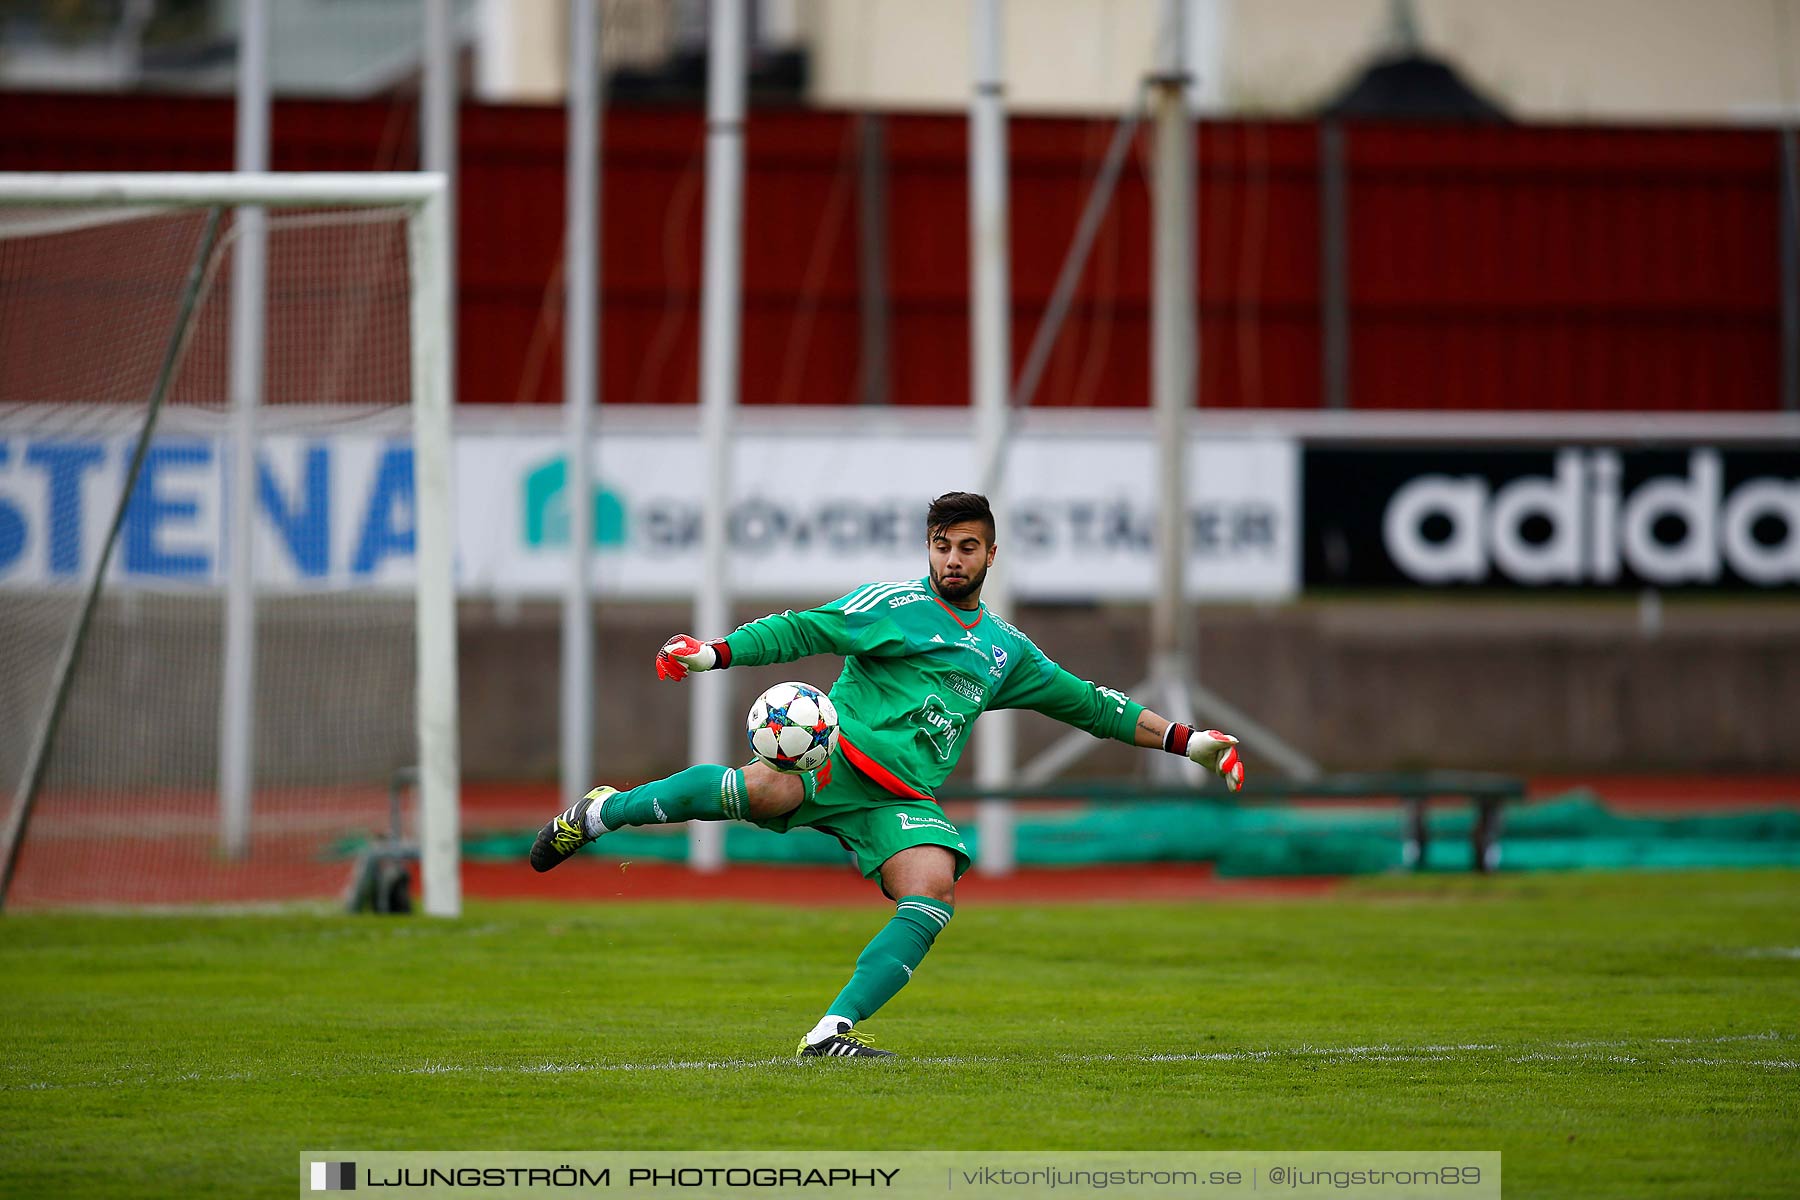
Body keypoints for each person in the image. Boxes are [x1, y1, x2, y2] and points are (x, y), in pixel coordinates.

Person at [529, 491, 1245, 1059]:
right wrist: (712, 654)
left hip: (900, 797)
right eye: (942, 545)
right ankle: (598, 814)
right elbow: (803, 629)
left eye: (968, 547)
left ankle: (830, 1032)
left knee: (932, 890)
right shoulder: (893, 606)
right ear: (927, 549)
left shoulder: (1005, 652)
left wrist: (1190, 743)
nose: (953, 559)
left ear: (993, 553)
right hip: (831, 760)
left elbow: (1094, 707)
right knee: (762, 786)